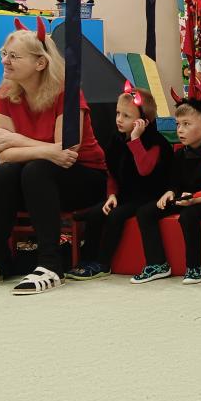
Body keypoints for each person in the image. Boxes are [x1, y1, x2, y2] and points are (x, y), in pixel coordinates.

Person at [0, 20, 106, 294]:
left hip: (84, 178)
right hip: (37, 177)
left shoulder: (67, 93)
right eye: (4, 53)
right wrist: (48, 150)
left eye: (14, 56)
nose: (5, 61)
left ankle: (51, 265)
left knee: (36, 170)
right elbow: (5, 156)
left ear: (40, 63)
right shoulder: (6, 94)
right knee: (5, 174)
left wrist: (17, 140)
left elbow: (68, 153)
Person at [68, 84, 173, 280]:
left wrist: (135, 140)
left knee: (116, 216)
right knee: (96, 213)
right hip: (126, 194)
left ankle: (103, 263)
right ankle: (87, 259)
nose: (119, 119)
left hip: (149, 196)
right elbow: (112, 173)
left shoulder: (156, 142)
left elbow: (144, 169)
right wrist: (112, 195)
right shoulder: (116, 140)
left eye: (126, 116)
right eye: (118, 113)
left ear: (143, 122)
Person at [133, 95, 201, 285]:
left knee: (188, 216)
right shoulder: (180, 153)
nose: (180, 130)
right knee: (145, 212)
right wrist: (170, 192)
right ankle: (157, 264)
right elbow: (174, 180)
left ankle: (194, 267)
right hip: (184, 198)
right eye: (178, 124)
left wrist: (196, 199)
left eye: (186, 124)